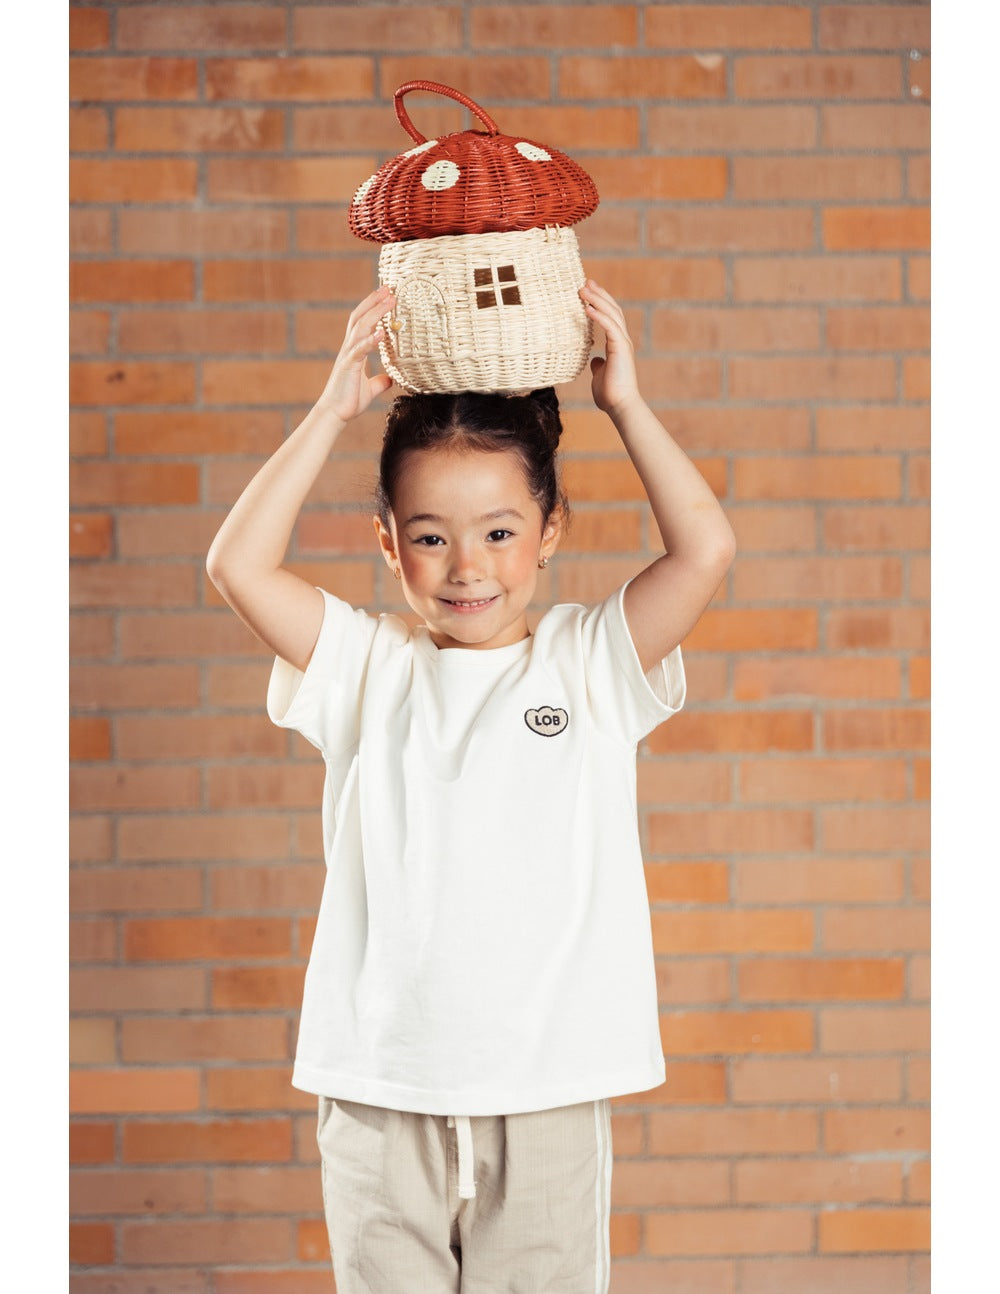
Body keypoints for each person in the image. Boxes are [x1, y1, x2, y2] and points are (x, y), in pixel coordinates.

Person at [206, 279, 736, 1293]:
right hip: (379, 1090)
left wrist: (625, 403)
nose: (465, 567)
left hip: (546, 1093)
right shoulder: (365, 668)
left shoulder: (589, 663)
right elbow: (238, 565)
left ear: (550, 528)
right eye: (428, 535)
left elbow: (705, 549)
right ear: (387, 541)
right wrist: (331, 410)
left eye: (498, 531)